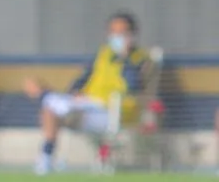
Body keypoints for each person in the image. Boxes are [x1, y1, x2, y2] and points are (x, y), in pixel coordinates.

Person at [23, 12, 150, 176]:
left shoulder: (141, 59)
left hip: (114, 112)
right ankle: (46, 157)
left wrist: (124, 58)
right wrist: (74, 92)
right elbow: (83, 78)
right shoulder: (103, 53)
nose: (117, 37)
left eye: (122, 33)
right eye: (114, 32)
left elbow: (134, 86)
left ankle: (47, 98)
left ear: (132, 35)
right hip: (88, 106)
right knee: (48, 108)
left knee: (51, 104)